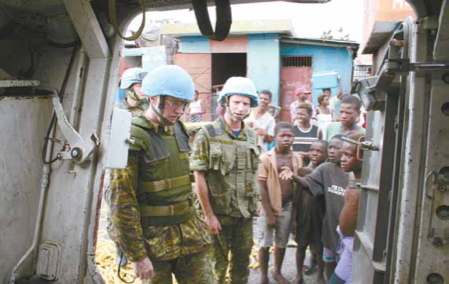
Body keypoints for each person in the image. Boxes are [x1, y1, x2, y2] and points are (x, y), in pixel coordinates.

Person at [108, 65, 212, 283]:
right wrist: (137, 256)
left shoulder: (180, 130)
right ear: (154, 99)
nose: (179, 110)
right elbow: (122, 202)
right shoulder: (132, 136)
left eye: (184, 104)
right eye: (174, 103)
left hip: (190, 235)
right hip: (154, 243)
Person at [190, 77, 260, 284]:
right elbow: (199, 176)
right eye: (237, 102)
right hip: (218, 216)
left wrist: (256, 205)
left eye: (246, 104)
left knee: (241, 269)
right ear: (226, 102)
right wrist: (209, 216)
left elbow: (252, 173)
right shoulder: (208, 133)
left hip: (243, 216)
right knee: (215, 270)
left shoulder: (251, 135)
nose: (241, 108)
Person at [279, 135, 348, 281]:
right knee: (322, 254)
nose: (332, 151)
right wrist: (293, 176)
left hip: (339, 224)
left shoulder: (350, 171)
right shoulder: (325, 168)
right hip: (321, 222)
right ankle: (320, 278)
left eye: (337, 148)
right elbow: (305, 184)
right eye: (331, 147)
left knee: (340, 260)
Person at [257, 122, 303, 284]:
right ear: (275, 137)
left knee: (282, 241)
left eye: (290, 136)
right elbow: (261, 187)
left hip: (288, 206)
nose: (286, 139)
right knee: (265, 243)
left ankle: (277, 271)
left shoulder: (296, 159)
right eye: (282, 135)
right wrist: (269, 213)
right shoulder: (266, 158)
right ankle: (263, 274)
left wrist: (295, 217)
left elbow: (298, 187)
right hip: (268, 206)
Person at [329, 134, 364, 284]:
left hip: (357, 247)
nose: (342, 158)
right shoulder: (353, 177)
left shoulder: (365, 185)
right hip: (348, 245)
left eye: (348, 155)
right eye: (342, 154)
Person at [292, 140, 328, 284]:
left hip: (320, 215)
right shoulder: (302, 171)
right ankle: (298, 275)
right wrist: (294, 219)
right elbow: (296, 198)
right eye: (312, 150)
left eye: (319, 151)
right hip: (304, 215)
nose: (314, 153)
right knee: (301, 245)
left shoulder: (327, 172)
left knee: (320, 248)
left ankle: (320, 275)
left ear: (326, 154)